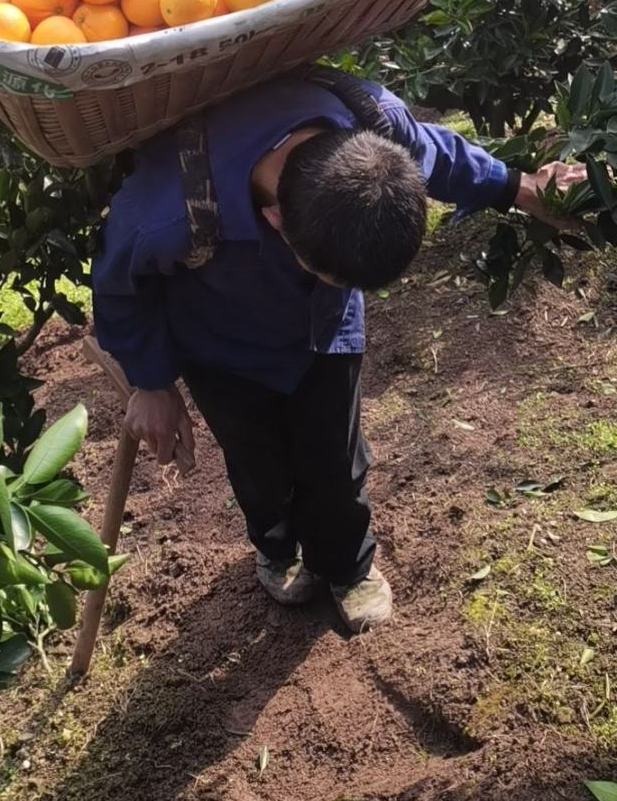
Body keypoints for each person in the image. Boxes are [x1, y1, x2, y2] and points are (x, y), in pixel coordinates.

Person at [92, 70, 573, 634]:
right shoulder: (169, 208)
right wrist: (152, 383)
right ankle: (275, 546)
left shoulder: (373, 125)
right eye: (321, 269)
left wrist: (518, 186)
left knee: (336, 459)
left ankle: (349, 565)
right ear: (275, 221)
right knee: (256, 463)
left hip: (326, 331)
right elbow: (118, 286)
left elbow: (436, 153)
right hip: (220, 349)